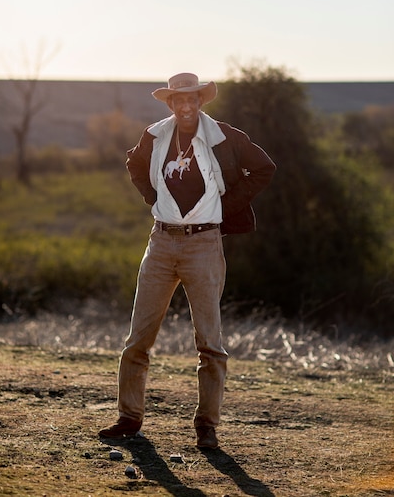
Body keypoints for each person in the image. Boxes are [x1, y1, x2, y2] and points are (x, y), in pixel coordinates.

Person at [99, 72, 276, 449]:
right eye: (178, 100)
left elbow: (264, 168)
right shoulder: (156, 134)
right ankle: (129, 419)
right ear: (171, 103)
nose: (185, 106)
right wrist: (153, 197)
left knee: (210, 344)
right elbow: (134, 164)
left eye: (192, 99)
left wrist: (224, 206)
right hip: (161, 243)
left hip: (204, 245)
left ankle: (206, 427)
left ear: (200, 101)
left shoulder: (224, 136)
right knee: (137, 341)